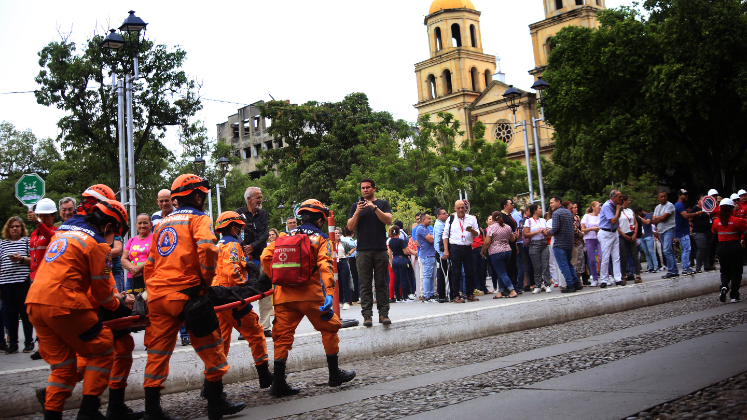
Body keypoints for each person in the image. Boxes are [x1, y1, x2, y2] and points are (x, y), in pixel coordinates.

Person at [143, 174, 245, 420]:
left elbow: (150, 262)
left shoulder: (163, 224)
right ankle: (216, 402)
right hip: (187, 295)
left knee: (157, 353)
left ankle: (152, 410)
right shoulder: (199, 219)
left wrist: (153, 289)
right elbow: (208, 249)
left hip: (158, 296)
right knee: (212, 347)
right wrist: (205, 283)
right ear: (198, 196)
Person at [26, 199, 133, 420]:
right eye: (114, 232)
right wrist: (119, 306)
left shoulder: (64, 234)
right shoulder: (97, 245)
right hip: (64, 304)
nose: (113, 237)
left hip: (35, 303)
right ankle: (89, 411)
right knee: (103, 348)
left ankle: (52, 415)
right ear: (108, 226)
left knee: (63, 368)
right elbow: (102, 293)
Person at [261, 199, 356, 397]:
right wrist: (329, 293)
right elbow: (326, 266)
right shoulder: (321, 239)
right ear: (321, 220)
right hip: (311, 296)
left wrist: (277, 279)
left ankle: (278, 383)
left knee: (282, 337)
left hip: (283, 296)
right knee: (330, 327)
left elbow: (265, 258)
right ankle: (334, 374)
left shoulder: (284, 235)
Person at [212, 211, 273, 389]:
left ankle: (211, 384)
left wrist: (245, 265)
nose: (241, 231)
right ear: (233, 228)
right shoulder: (233, 244)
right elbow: (232, 271)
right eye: (239, 228)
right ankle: (264, 375)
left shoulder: (219, 245)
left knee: (221, 342)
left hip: (219, 297)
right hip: (232, 298)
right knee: (255, 333)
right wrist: (247, 286)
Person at [347, 179, 393, 326]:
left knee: (381, 283)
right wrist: (358, 212)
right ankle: (367, 316)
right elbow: (350, 227)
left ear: (374, 188)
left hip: (380, 249)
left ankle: (383, 314)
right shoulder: (356, 206)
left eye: (368, 187)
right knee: (365, 284)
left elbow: (388, 220)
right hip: (362, 251)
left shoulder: (382, 204)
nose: (365, 190)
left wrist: (374, 208)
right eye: (362, 188)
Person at [236, 187, 271, 338]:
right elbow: (236, 232)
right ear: (249, 199)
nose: (260, 200)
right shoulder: (239, 213)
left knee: (265, 290)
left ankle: (265, 325)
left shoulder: (263, 214)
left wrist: (253, 246)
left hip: (262, 255)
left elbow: (265, 234)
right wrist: (246, 250)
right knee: (243, 292)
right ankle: (246, 326)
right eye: (258, 197)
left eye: (261, 197)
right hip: (244, 258)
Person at [26, 198, 58, 357]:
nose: (43, 219)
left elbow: (51, 236)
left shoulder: (55, 232)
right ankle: (42, 346)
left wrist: (39, 222)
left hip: (48, 278)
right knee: (36, 313)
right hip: (35, 277)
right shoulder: (33, 234)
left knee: (47, 313)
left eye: (46, 216)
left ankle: (49, 346)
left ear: (52, 216)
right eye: (40, 216)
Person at [0, 216, 32, 354]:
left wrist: (21, 259)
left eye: (17, 226)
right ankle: (12, 343)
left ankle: (28, 342)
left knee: (25, 313)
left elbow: (34, 261)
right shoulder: (2, 244)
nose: (14, 228)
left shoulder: (27, 242)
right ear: (8, 228)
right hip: (6, 283)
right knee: (10, 313)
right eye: (12, 226)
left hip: (22, 282)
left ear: (21, 228)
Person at [442, 200, 480, 303]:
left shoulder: (471, 219)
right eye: (458, 208)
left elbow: (477, 233)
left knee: (469, 272)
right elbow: (445, 235)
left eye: (462, 207)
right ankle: (455, 295)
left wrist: (472, 231)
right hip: (455, 248)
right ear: (454, 209)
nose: (460, 210)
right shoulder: (451, 219)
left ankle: (469, 294)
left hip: (467, 247)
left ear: (465, 208)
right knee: (456, 272)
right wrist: (446, 250)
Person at [712, 198, 747, 303]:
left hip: (722, 248)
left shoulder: (716, 222)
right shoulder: (736, 220)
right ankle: (734, 295)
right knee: (736, 271)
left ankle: (724, 286)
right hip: (735, 247)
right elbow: (745, 231)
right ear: (731, 209)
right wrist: (743, 240)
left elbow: (713, 232)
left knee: (724, 270)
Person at [548, 196, 580, 293]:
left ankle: (570, 285)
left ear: (558, 202)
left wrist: (548, 232)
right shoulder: (568, 213)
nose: (550, 205)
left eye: (552, 202)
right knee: (569, 264)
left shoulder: (556, 213)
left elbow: (555, 228)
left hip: (560, 243)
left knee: (563, 265)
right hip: (569, 242)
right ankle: (576, 283)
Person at [482, 211, 517, 298]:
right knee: (501, 271)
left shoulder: (491, 228)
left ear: (493, 218)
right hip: (508, 250)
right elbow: (512, 239)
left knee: (502, 272)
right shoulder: (507, 227)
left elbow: (487, 242)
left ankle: (512, 290)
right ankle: (499, 292)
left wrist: (483, 250)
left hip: (496, 251)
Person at [121, 214, 152, 294]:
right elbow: (123, 258)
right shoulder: (131, 240)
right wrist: (133, 269)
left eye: (145, 223)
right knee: (131, 304)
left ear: (151, 224)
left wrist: (139, 268)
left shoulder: (155, 238)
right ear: (135, 225)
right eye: (139, 223)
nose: (142, 226)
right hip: (132, 278)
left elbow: (155, 257)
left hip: (149, 278)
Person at [599, 190, 624, 288]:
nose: (621, 198)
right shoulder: (607, 206)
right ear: (613, 198)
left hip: (614, 232)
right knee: (605, 257)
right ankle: (604, 280)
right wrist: (618, 210)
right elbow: (613, 220)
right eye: (619, 197)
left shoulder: (615, 206)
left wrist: (618, 210)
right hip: (606, 233)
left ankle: (618, 278)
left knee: (616, 257)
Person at [674, 189, 702, 276]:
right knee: (686, 249)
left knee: (686, 249)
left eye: (687, 194)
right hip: (682, 232)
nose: (686, 196)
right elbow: (685, 216)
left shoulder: (680, 205)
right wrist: (697, 213)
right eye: (684, 195)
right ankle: (685, 268)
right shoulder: (679, 205)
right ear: (679, 195)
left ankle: (686, 267)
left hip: (682, 230)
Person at [524, 204, 552, 293]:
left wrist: (546, 231)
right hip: (534, 243)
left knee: (545, 265)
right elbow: (526, 234)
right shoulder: (529, 221)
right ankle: (538, 285)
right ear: (535, 210)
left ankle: (547, 284)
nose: (541, 210)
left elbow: (547, 232)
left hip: (543, 242)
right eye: (539, 208)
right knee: (536, 266)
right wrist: (537, 232)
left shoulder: (543, 220)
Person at [617, 195, 642, 284]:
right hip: (623, 234)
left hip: (631, 233)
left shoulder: (630, 210)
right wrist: (623, 235)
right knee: (623, 256)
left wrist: (635, 233)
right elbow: (616, 225)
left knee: (634, 254)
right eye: (628, 200)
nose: (629, 201)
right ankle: (623, 275)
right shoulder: (618, 211)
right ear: (624, 201)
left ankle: (638, 274)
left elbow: (635, 222)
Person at [653, 191, 678, 279]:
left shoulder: (669, 205)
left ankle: (670, 270)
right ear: (658, 198)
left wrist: (658, 218)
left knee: (666, 250)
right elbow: (653, 220)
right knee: (669, 251)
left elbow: (664, 218)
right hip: (661, 231)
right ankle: (675, 270)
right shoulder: (657, 207)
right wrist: (658, 218)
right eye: (661, 197)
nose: (663, 198)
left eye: (665, 196)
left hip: (669, 229)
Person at [690, 195, 715, 273]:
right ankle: (698, 267)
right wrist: (697, 214)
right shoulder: (695, 208)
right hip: (698, 232)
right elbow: (690, 218)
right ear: (698, 201)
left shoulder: (708, 209)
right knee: (702, 248)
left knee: (707, 249)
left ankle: (707, 265)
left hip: (708, 232)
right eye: (701, 199)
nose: (703, 201)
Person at [415, 213, 437, 301]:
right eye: (429, 219)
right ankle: (427, 295)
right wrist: (434, 237)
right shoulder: (421, 229)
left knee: (432, 276)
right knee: (427, 275)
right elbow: (431, 240)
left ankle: (431, 294)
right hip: (427, 255)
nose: (430, 220)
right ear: (423, 220)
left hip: (431, 254)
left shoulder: (426, 228)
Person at [387, 226, 412, 301]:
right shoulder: (401, 241)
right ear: (399, 232)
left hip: (394, 259)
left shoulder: (390, 241)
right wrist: (408, 254)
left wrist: (391, 262)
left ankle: (397, 296)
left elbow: (389, 252)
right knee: (403, 279)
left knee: (396, 279)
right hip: (401, 259)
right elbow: (405, 251)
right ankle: (405, 296)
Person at [432, 208, 450, 302]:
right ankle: (442, 296)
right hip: (441, 252)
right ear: (438, 216)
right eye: (444, 213)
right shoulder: (439, 226)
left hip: (442, 252)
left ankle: (444, 294)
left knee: (445, 273)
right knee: (443, 274)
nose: (446, 214)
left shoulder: (443, 224)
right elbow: (438, 240)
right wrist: (441, 253)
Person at [636, 207, 659, 273]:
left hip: (648, 236)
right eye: (638, 214)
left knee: (651, 251)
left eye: (640, 213)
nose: (639, 215)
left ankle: (656, 266)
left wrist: (640, 218)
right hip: (642, 236)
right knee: (646, 252)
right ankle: (650, 267)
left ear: (642, 211)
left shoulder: (648, 215)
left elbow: (647, 222)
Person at [341, 228, 359, 304]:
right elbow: (354, 248)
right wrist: (348, 254)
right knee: (354, 279)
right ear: (353, 233)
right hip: (352, 260)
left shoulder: (343, 240)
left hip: (346, 260)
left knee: (347, 278)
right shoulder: (351, 241)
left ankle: (347, 298)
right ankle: (354, 297)